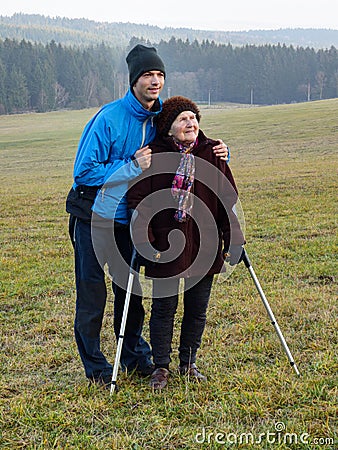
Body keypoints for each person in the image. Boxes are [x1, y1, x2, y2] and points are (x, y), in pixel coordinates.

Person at [66, 44, 229, 389]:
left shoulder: (160, 119)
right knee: (93, 294)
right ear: (133, 80)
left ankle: (133, 356)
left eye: (159, 75)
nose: (154, 82)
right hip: (94, 218)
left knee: (132, 294)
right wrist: (130, 167)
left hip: (130, 220)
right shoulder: (108, 118)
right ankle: (95, 366)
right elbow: (84, 172)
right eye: (147, 75)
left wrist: (221, 149)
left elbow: (187, 142)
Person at [128, 96, 245, 390]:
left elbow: (227, 200)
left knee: (197, 308)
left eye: (193, 118)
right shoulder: (154, 155)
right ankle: (161, 368)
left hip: (204, 244)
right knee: (164, 308)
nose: (190, 123)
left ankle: (189, 363)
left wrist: (233, 238)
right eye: (183, 119)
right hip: (165, 247)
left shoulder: (212, 153)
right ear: (168, 128)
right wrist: (147, 242)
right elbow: (138, 201)